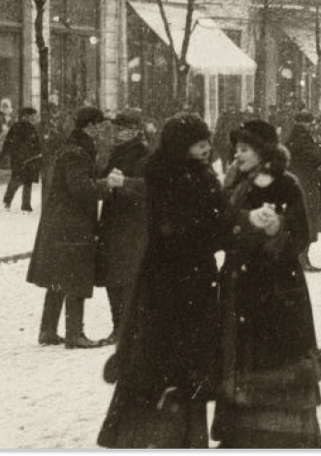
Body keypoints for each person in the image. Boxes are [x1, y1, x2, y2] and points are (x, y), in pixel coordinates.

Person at [97, 114, 224, 449]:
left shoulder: (179, 172)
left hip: (173, 276)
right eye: (200, 144)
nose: (206, 149)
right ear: (184, 146)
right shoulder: (181, 177)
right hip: (181, 279)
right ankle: (166, 437)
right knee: (173, 361)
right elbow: (196, 228)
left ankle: (155, 434)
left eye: (207, 143)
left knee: (158, 361)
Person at [214, 119, 321, 449]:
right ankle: (240, 436)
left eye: (245, 148)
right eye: (236, 148)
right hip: (240, 285)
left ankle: (284, 436)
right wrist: (243, 225)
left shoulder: (285, 184)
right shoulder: (234, 181)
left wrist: (278, 228)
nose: (238, 154)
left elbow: (303, 233)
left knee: (277, 358)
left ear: (263, 152)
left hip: (277, 291)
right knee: (243, 358)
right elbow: (221, 227)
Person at [27, 106, 117, 349]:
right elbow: (80, 188)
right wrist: (106, 185)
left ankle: (47, 331)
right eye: (100, 126)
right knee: (75, 276)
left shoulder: (73, 148)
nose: (102, 131)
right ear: (90, 126)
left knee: (58, 277)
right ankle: (74, 334)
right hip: (72, 224)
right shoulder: (77, 152)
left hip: (61, 222)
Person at [95, 110, 151, 341]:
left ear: (135, 131)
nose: (117, 133)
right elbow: (101, 176)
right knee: (112, 278)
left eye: (122, 129)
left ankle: (129, 329)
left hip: (132, 224)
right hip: (113, 221)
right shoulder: (115, 153)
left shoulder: (145, 156)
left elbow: (149, 187)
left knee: (127, 280)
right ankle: (118, 327)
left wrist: (124, 184)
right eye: (116, 129)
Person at [286, 112, 321, 273]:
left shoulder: (293, 137)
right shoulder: (303, 139)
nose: (311, 125)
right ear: (304, 123)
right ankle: (302, 258)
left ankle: (302, 257)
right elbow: (314, 158)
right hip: (306, 185)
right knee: (308, 220)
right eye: (309, 123)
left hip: (299, 183)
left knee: (301, 221)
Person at [0, 106, 43, 213]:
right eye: (32, 116)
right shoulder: (18, 127)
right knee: (17, 180)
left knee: (26, 181)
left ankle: (25, 205)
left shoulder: (31, 127)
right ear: (26, 116)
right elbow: (10, 141)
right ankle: (8, 200)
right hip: (20, 158)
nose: (34, 118)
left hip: (29, 158)